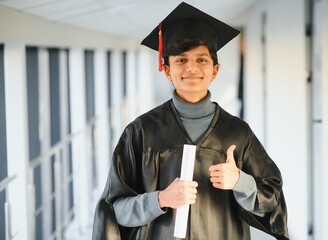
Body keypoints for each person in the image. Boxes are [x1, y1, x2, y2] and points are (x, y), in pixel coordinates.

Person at [92, 2, 289, 240]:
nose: (192, 68)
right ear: (167, 70)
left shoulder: (237, 133)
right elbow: (115, 210)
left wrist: (240, 181)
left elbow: (271, 199)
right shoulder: (141, 131)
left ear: (215, 70)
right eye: (181, 60)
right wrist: (160, 199)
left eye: (202, 60)